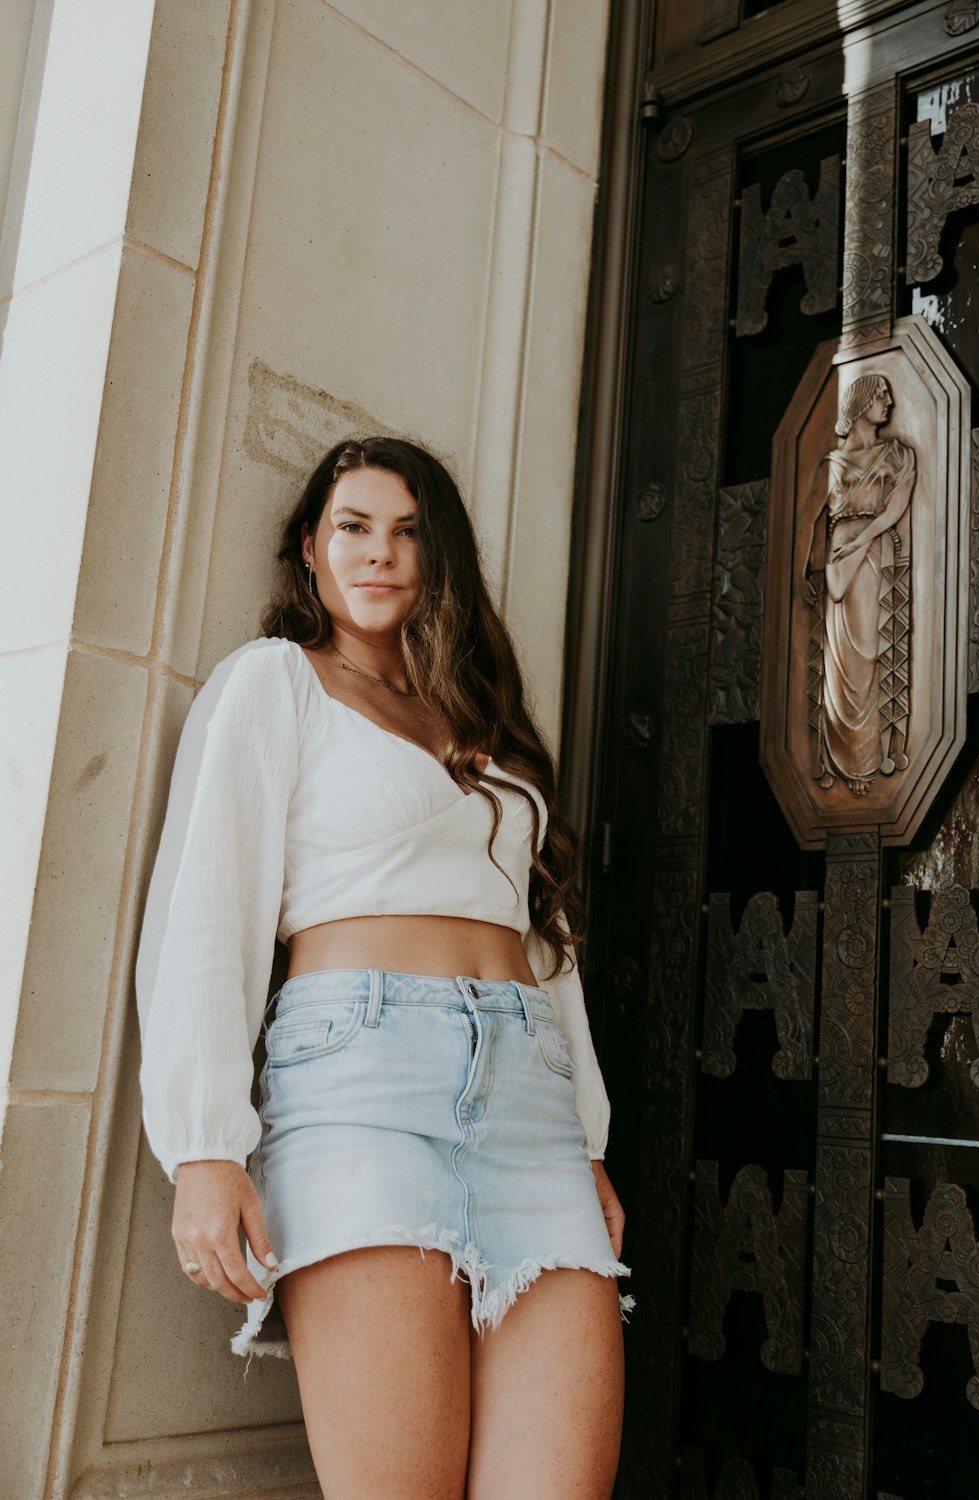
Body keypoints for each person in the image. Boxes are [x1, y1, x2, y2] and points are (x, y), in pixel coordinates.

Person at [136, 436, 629, 1499]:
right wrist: (205, 1147)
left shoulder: (478, 723)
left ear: (435, 558)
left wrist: (584, 1139)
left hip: (531, 1110)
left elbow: (546, 947)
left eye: (407, 531)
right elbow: (206, 904)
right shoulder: (274, 682)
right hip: (363, 1086)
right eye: (352, 526)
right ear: (309, 549)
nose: (379, 553)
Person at [798, 374, 915, 796]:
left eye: (887, 392)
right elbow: (810, 519)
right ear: (861, 401)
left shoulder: (897, 453)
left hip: (872, 553)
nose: (887, 400)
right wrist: (805, 572)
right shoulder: (832, 463)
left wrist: (862, 542)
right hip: (840, 567)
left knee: (872, 654)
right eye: (879, 394)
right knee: (842, 664)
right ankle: (847, 762)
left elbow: (895, 507)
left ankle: (874, 755)